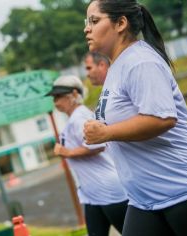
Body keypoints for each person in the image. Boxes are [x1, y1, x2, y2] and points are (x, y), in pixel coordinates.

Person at [83, 1, 187, 235]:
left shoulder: (141, 61)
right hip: (146, 199)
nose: (86, 29)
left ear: (121, 23)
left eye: (94, 20)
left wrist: (106, 133)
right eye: (86, 22)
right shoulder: (118, 66)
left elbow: (162, 119)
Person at [46, 75, 128, 236]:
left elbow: (98, 145)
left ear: (74, 94)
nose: (55, 101)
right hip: (92, 194)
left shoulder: (80, 117)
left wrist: (67, 152)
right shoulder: (74, 118)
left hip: (107, 189)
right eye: (54, 97)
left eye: (59, 96)